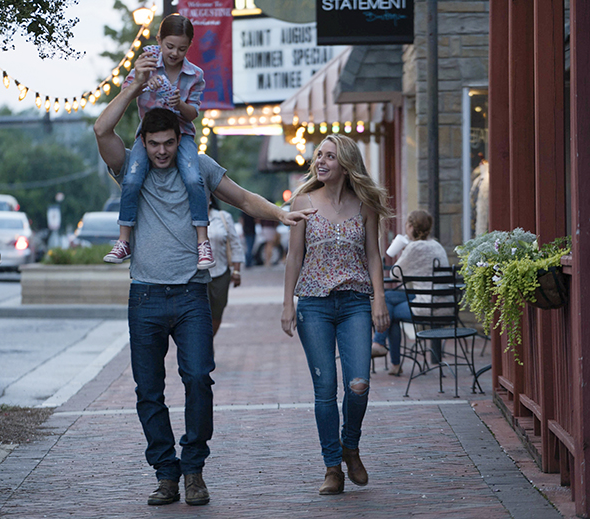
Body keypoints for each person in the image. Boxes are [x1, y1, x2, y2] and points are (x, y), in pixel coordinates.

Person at [94, 96, 315, 505]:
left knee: (198, 378)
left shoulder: (198, 167)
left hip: (192, 293)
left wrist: (280, 213)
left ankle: (193, 468)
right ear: (143, 141)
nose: (162, 151)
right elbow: (101, 130)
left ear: (180, 140)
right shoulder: (129, 166)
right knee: (148, 390)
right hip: (144, 294)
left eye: (169, 142)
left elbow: (243, 198)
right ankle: (165, 473)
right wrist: (134, 85)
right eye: (154, 143)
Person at [281, 134, 392, 495]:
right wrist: (287, 304)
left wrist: (379, 300)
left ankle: (351, 445)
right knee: (325, 388)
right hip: (313, 304)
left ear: (345, 164)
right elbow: (294, 257)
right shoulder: (303, 202)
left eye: (330, 156)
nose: (321, 161)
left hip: (356, 301)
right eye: (318, 155)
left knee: (358, 384)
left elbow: (374, 256)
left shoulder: (364, 205)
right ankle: (333, 467)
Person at [104, 14, 213, 269]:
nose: (175, 53)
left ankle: (202, 242)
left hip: (181, 134)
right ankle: (123, 241)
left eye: (182, 48)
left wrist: (180, 104)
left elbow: (193, 113)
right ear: (159, 41)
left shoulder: (195, 74)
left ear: (189, 46)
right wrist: (143, 82)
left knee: (193, 178)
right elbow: (127, 92)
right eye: (170, 46)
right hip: (149, 134)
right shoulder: (147, 63)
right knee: (131, 178)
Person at [373, 210, 450, 373]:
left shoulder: (414, 247)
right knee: (389, 298)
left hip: (428, 307)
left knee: (388, 309)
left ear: (410, 226)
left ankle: (381, 347)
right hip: (445, 305)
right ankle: (391, 361)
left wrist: (404, 249)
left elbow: (395, 273)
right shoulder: (436, 244)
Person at [207, 197, 244, 336]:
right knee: (199, 315)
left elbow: (235, 244)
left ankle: (209, 341)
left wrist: (237, 271)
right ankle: (204, 345)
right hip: (196, 276)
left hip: (220, 273)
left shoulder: (223, 217)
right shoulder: (187, 216)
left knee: (217, 312)